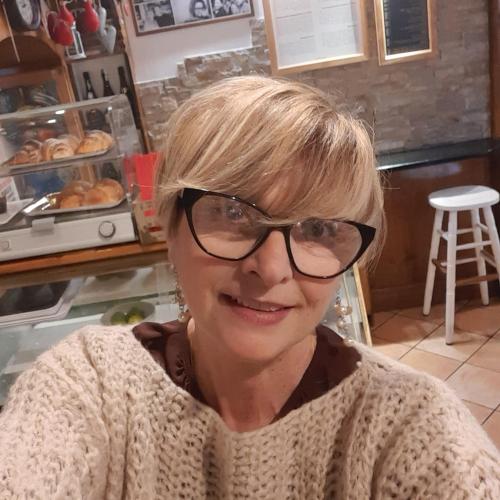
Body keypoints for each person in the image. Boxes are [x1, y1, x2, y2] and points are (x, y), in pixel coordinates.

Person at [0, 76, 498, 498]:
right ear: (168, 224)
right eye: (232, 212)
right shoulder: (90, 383)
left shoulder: (410, 426)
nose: (271, 268)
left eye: (318, 228)